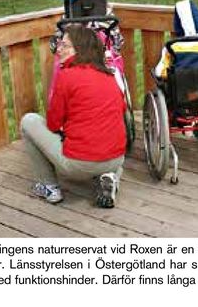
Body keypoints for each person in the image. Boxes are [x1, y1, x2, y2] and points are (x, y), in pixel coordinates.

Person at [20, 26, 127, 209]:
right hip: (116, 158)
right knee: (105, 148)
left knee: (29, 121)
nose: (59, 49)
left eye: (66, 46)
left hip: (79, 165)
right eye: (60, 44)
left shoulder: (67, 76)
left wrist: (67, 127)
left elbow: (53, 124)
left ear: (82, 50)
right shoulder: (110, 75)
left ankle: (49, 187)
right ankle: (110, 177)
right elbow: (121, 109)